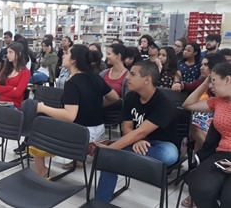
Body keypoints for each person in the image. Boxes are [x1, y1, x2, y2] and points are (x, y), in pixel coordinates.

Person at [26, 44, 119, 177]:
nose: (63, 55)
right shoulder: (95, 77)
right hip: (99, 131)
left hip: (82, 134)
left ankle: (42, 172)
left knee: (37, 134)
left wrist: (43, 108)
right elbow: (114, 97)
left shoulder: (72, 83)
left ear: (74, 60)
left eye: (67, 53)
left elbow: (69, 116)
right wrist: (94, 104)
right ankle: (78, 160)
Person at [94, 61, 179, 202]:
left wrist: (110, 149)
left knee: (169, 155)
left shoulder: (165, 103)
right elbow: (126, 127)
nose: (127, 77)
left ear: (147, 79)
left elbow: (141, 132)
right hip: (136, 142)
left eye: (133, 74)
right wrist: (136, 141)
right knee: (111, 159)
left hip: (160, 145)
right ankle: (100, 202)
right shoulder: (130, 97)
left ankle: (117, 153)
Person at [175, 53, 226, 208]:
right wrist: (205, 83)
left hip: (220, 148)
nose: (201, 67)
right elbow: (187, 104)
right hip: (215, 147)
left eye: (214, 81)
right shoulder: (217, 100)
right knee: (198, 186)